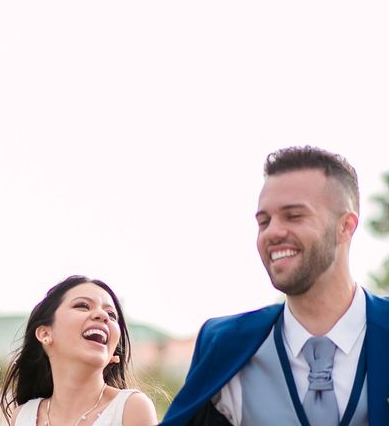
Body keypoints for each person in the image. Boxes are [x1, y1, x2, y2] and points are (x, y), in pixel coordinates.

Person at [161, 146, 389, 425]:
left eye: (294, 216)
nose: (273, 232)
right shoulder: (224, 344)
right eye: (263, 221)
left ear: (346, 226)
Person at [0, 274, 158, 426]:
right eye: (83, 306)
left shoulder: (132, 408)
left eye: (111, 314)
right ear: (45, 333)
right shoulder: (23, 416)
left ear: (113, 353)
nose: (103, 315)